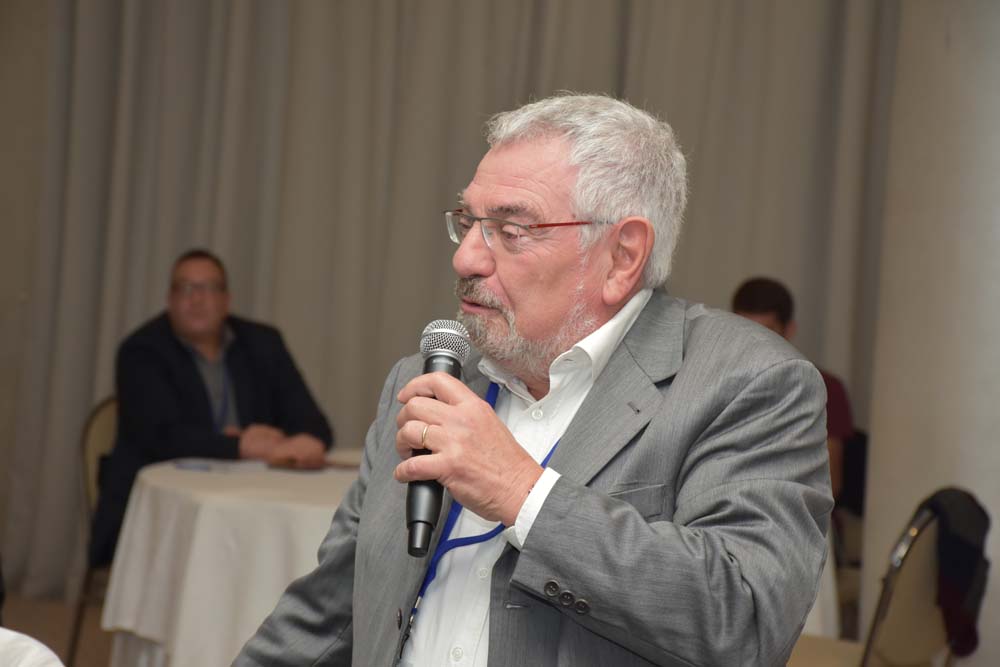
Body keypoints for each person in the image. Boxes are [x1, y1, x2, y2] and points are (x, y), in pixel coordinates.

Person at [235, 94, 831, 666]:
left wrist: (522, 492)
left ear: (623, 256)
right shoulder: (428, 378)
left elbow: (745, 622)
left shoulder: (748, 382)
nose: (466, 258)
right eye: (468, 221)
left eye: (511, 230)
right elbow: (331, 617)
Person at [89, 249, 334, 566]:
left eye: (208, 288)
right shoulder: (141, 352)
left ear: (226, 300)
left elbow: (314, 422)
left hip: (252, 499)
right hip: (164, 514)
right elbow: (160, 437)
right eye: (185, 288)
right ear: (169, 299)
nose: (196, 299)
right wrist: (242, 445)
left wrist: (304, 442)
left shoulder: (263, 343)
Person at [731, 277, 855, 502]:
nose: (754, 345)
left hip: (797, 513)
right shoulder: (717, 386)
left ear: (789, 330)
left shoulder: (824, 386)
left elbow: (830, 483)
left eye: (766, 333)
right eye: (744, 333)